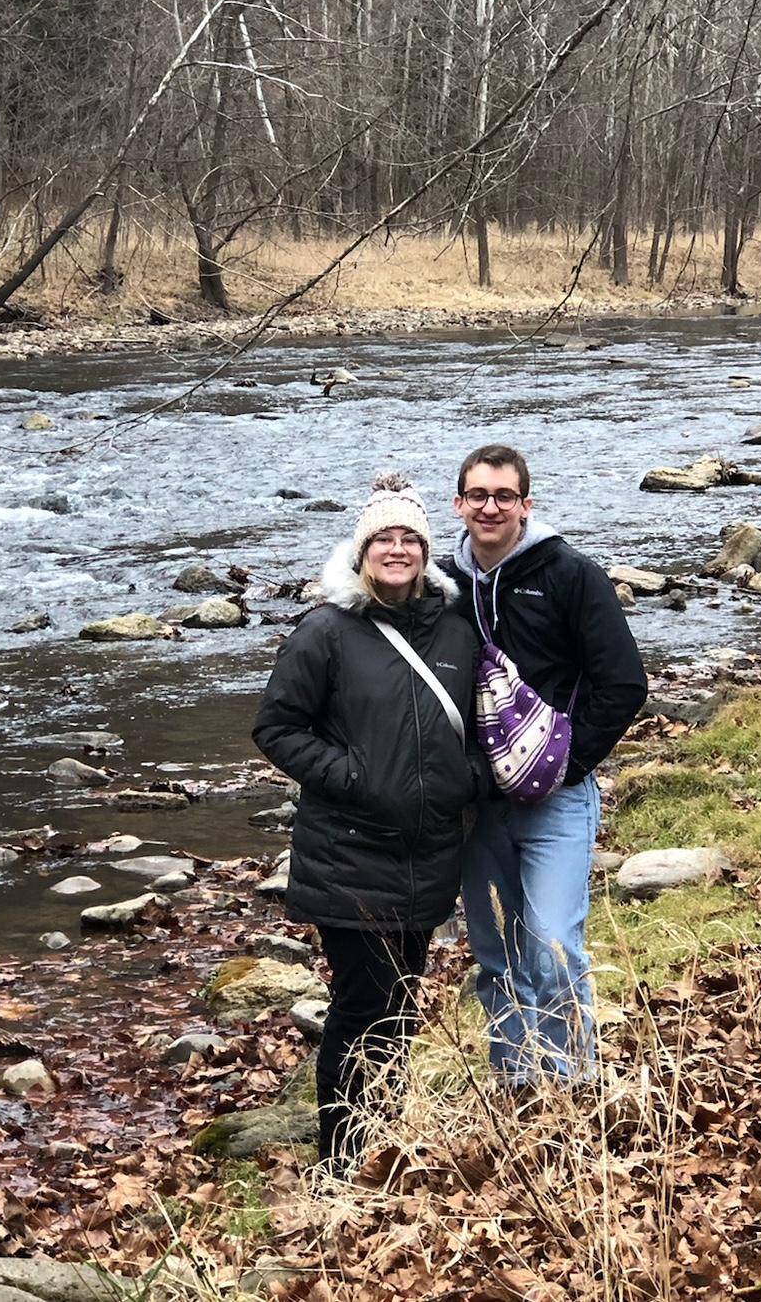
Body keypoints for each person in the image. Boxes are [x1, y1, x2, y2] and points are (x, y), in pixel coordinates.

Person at [253, 472, 487, 1171]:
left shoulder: (456, 626)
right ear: (361, 552)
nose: (396, 549)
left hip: (430, 851)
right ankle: (343, 1158)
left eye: (409, 538)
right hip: (349, 853)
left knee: (401, 1006)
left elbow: (483, 716)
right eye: (382, 538)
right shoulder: (326, 632)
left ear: (425, 550)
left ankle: (382, 1138)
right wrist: (354, 776)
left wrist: (469, 778)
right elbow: (277, 728)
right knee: (363, 1006)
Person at [442, 444, 648, 1089]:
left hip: (557, 799)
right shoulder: (442, 587)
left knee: (553, 945)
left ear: (527, 505)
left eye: (505, 496)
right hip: (476, 804)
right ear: (460, 504)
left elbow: (623, 684)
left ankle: (571, 1084)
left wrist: (566, 763)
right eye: (479, 495)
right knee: (496, 954)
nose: (491, 507)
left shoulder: (570, 575)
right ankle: (516, 1083)